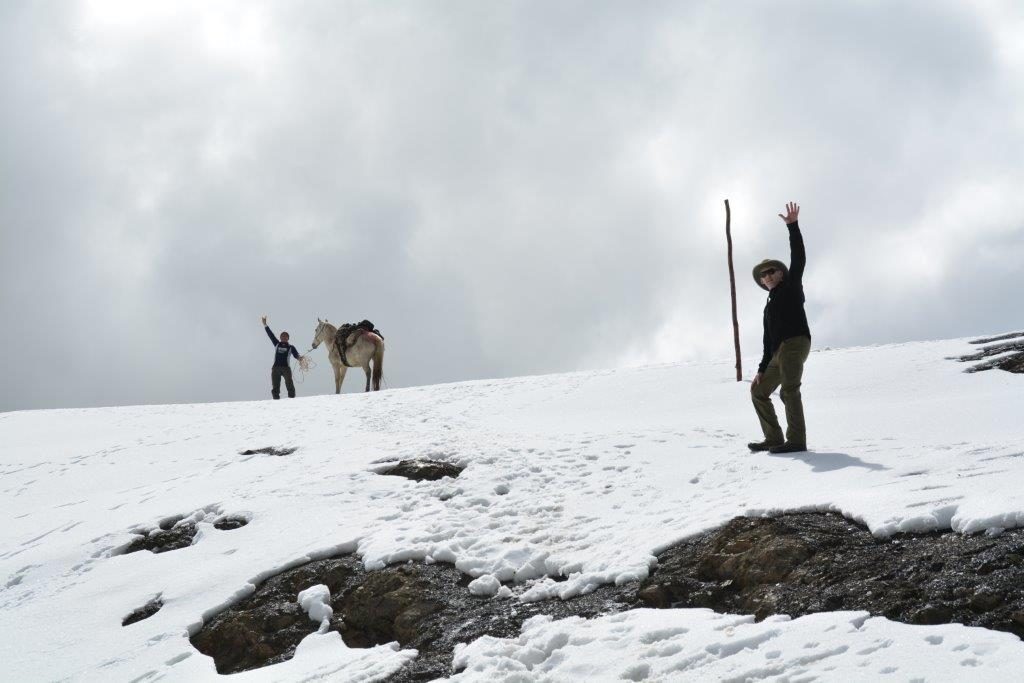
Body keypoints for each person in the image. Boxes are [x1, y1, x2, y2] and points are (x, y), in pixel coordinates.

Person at [748, 202, 812, 454]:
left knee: (789, 390)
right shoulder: (769, 306)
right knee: (758, 392)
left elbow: (799, 257)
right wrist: (762, 369)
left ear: (781, 274)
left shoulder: (791, 287)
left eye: (771, 271)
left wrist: (792, 227)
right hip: (777, 353)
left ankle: (796, 440)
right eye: (763, 275)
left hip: (795, 343)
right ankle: (773, 438)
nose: (767, 276)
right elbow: (767, 342)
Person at [262, 315, 301, 399]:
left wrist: (300, 358)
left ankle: (292, 399)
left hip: (286, 368)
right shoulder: (277, 344)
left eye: (285, 336)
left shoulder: (291, 347)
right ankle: (276, 400)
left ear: (288, 338)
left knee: (289, 383)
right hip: (276, 368)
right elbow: (270, 335)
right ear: (280, 338)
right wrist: (265, 325)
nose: (283, 337)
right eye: (282, 336)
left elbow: (296, 355)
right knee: (275, 385)